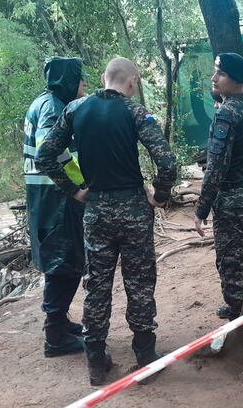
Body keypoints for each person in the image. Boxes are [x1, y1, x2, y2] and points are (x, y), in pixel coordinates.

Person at [36, 57, 177, 386]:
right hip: (133, 210)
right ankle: (145, 357)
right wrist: (160, 194)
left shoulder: (74, 109)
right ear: (131, 82)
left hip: (96, 210)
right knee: (140, 284)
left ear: (104, 77)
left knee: (97, 285)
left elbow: (45, 155)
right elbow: (167, 161)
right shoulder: (134, 111)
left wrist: (74, 190)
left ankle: (96, 361)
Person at [23, 56, 87, 358]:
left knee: (61, 262)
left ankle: (60, 322)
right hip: (56, 199)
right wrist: (78, 186)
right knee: (64, 263)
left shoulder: (43, 102)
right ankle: (55, 337)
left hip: (46, 198)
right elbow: (50, 148)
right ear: (69, 81)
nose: (84, 85)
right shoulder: (53, 107)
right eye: (81, 80)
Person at [194, 53, 243, 321]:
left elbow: (216, 167)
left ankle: (238, 320)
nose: (214, 78)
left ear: (237, 80)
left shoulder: (227, 113)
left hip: (232, 202)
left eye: (221, 74)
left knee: (231, 262)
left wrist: (201, 209)